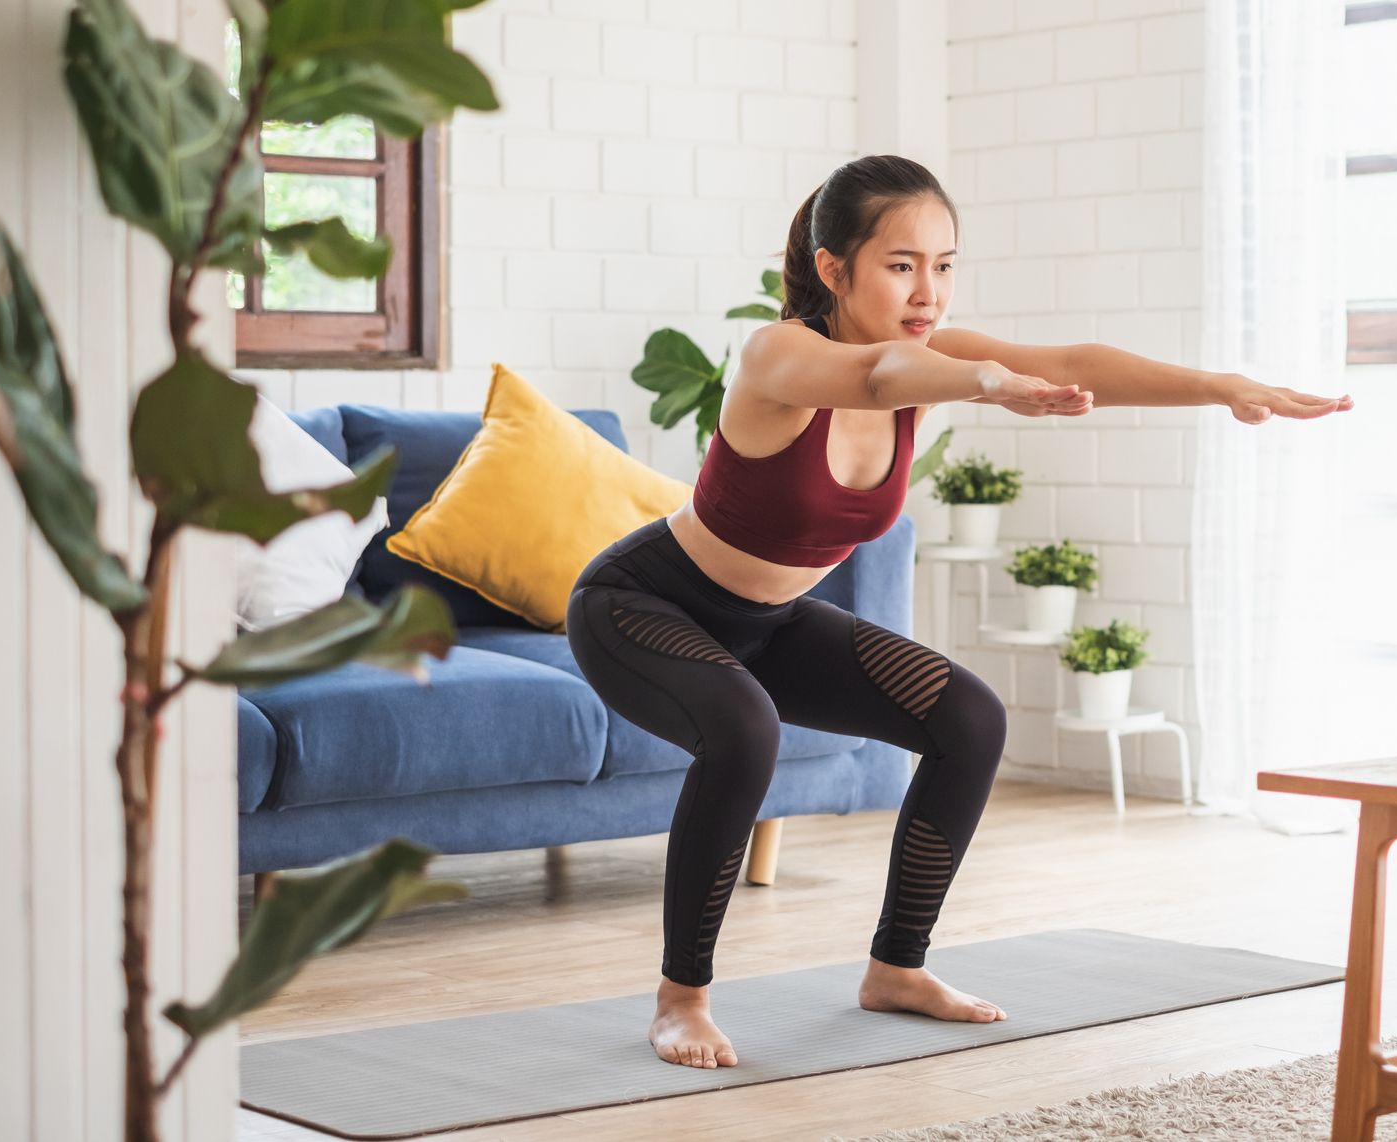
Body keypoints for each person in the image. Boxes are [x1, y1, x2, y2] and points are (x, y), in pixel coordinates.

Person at [565, 154, 1352, 1071]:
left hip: (769, 622)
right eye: (901, 264)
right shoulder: (777, 353)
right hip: (641, 604)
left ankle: (896, 968)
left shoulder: (933, 354)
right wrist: (984, 381)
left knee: (967, 718)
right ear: (833, 268)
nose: (926, 290)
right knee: (744, 731)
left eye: (943, 265)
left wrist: (1222, 387)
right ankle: (681, 999)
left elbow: (1071, 361)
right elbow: (874, 377)